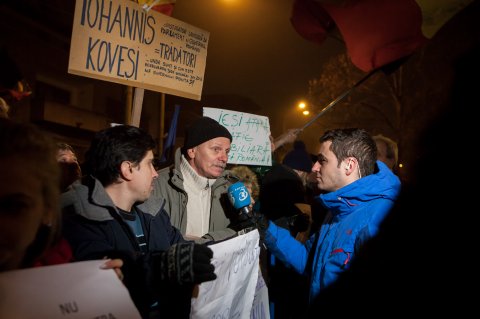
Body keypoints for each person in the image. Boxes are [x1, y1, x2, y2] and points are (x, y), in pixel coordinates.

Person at [61, 124, 217, 318]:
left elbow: (181, 249)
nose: (154, 173)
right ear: (127, 169)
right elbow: (106, 275)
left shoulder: (154, 212)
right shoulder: (79, 218)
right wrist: (161, 268)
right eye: (150, 164)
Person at [259, 128, 401, 310]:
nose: (314, 167)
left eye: (322, 160)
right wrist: (267, 229)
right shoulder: (336, 210)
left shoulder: (380, 217)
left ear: (349, 166)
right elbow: (308, 262)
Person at [140, 116, 239, 242]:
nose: (224, 158)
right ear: (192, 151)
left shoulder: (230, 187)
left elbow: (239, 231)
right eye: (216, 149)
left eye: (227, 151)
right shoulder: (157, 185)